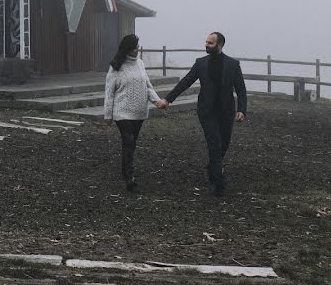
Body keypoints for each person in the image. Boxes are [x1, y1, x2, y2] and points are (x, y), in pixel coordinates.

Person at [157, 32, 247, 197]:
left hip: (226, 111)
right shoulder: (200, 63)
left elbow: (241, 88)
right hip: (207, 111)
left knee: (224, 144)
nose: (206, 45)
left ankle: (213, 166)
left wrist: (242, 109)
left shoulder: (233, 65)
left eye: (210, 43)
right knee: (215, 143)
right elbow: (186, 81)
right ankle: (219, 182)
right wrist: (168, 99)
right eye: (206, 42)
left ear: (219, 45)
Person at [104, 34, 162, 192]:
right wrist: (108, 115)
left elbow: (148, 86)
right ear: (128, 48)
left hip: (139, 112)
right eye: (136, 46)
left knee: (132, 143)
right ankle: (129, 177)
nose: (138, 48)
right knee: (128, 141)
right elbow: (109, 92)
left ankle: (125, 169)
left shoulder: (140, 64)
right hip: (122, 112)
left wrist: (157, 101)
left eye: (138, 45)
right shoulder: (116, 66)